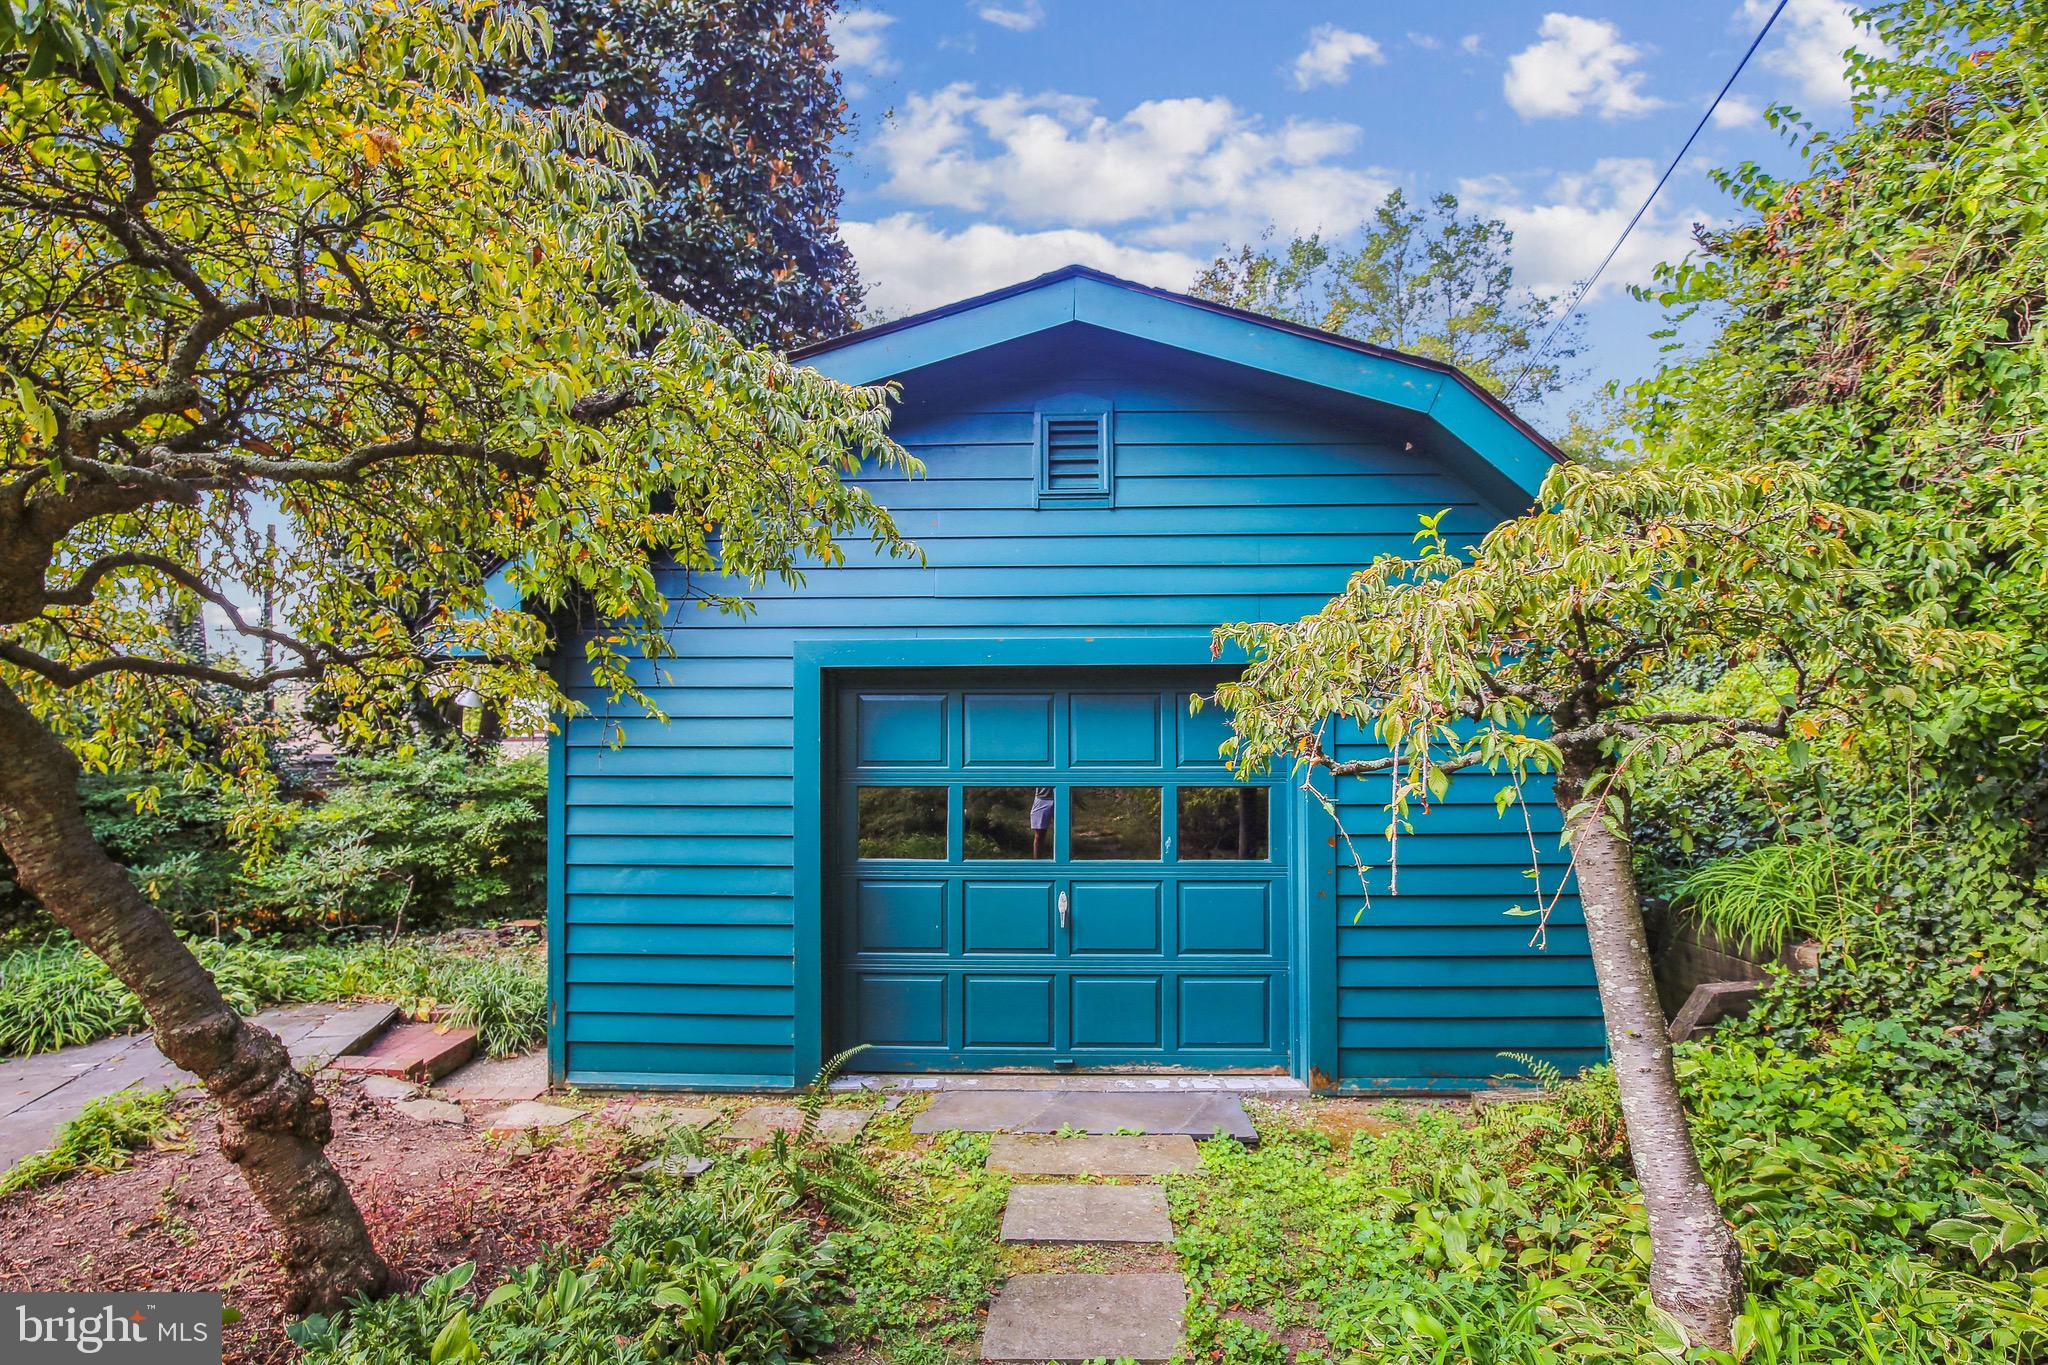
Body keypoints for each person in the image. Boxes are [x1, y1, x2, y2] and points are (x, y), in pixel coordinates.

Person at [1029, 786, 1054, 858]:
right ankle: (1037, 865)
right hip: (1042, 797)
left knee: (1064, 834)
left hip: (1063, 796)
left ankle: (1064, 866)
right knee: (1039, 835)